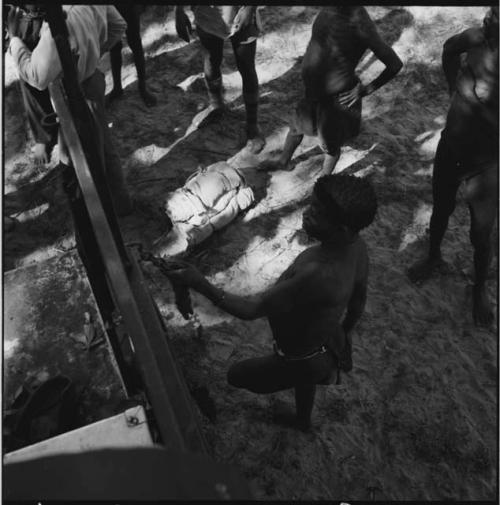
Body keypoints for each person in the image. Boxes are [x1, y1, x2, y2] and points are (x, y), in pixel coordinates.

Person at [163, 174, 378, 431]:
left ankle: (302, 413)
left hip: (299, 357)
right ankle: (302, 421)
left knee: (237, 376)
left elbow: (252, 309)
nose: (306, 213)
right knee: (305, 379)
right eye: (311, 204)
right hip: (325, 345)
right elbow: (358, 300)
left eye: (317, 212)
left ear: (342, 229)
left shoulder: (317, 273)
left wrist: (200, 283)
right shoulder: (356, 248)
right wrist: (346, 335)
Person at [408, 7, 498, 327]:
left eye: (499, 15)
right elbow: (449, 48)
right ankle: (433, 256)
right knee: (440, 208)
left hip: (486, 163)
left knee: (481, 234)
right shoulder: (476, 37)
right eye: (492, 10)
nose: (491, 18)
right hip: (452, 145)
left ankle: (479, 288)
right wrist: (452, 86)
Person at [6, 4, 133, 216]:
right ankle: (121, 204)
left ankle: (98, 215)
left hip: (73, 96)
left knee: (86, 160)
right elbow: (118, 25)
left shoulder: (57, 24)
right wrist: (92, 52)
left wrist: (14, 40)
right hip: (93, 81)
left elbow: (37, 78)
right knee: (103, 145)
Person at [259, 6, 403, 174]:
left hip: (334, 99)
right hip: (312, 89)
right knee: (296, 127)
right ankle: (284, 161)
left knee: (330, 146)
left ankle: (322, 183)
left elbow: (395, 64)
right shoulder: (330, 7)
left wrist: (365, 90)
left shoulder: (362, 25)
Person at [174, 5, 265, 153]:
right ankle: (216, 105)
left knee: (246, 67)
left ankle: (252, 125)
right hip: (206, 14)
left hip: (238, 14)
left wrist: (250, 8)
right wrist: (178, 10)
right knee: (211, 59)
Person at [7, 5, 57, 165]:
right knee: (29, 76)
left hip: (49, 15)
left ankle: (67, 123)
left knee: (59, 69)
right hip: (26, 16)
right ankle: (45, 133)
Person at [107, 4, 157, 107]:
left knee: (135, 44)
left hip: (129, 6)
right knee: (114, 47)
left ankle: (142, 88)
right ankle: (117, 88)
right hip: (112, 6)